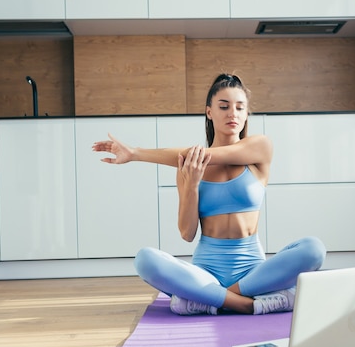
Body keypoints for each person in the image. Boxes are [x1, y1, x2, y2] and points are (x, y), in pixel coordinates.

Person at [92, 73, 326, 315]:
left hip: (253, 271)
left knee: (314, 249)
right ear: (209, 112)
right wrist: (191, 185)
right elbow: (187, 233)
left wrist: (136, 153)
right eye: (223, 106)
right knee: (144, 260)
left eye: (239, 107)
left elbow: (209, 156)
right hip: (206, 272)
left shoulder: (260, 147)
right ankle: (248, 304)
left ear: (246, 114)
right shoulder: (188, 167)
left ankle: (209, 298)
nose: (232, 113)